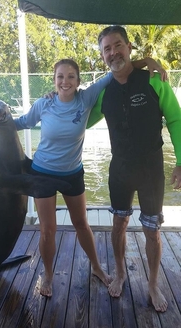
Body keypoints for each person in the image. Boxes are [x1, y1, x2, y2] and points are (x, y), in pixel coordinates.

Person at [13, 58, 167, 298]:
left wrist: (145, 61)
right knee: (47, 230)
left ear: (78, 81)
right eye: (60, 77)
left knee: (82, 224)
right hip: (42, 173)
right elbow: (23, 122)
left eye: (71, 76)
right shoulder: (44, 104)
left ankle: (96, 266)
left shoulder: (86, 98)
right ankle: (48, 274)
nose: (65, 81)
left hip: (73, 172)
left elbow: (115, 70)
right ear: (54, 81)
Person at [87, 25, 181, 312]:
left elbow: (176, 120)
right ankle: (120, 272)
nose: (113, 52)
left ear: (129, 47)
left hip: (152, 169)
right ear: (103, 55)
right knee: (119, 224)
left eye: (117, 45)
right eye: (107, 49)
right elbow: (76, 121)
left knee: (152, 231)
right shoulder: (103, 92)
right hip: (120, 170)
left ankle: (153, 284)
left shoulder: (154, 80)